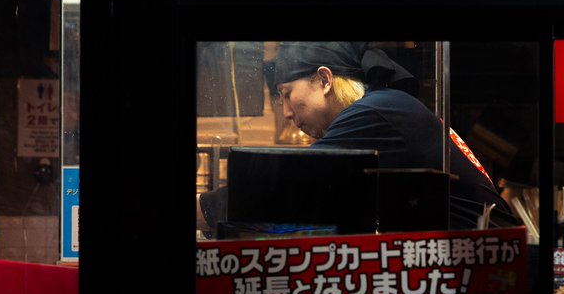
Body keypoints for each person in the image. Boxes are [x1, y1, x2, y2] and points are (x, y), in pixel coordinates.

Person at [198, 41, 507, 233]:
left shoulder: (377, 110)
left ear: (324, 80)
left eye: (287, 94)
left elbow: (289, 182)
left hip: (493, 271)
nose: (288, 113)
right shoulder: (386, 106)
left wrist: (201, 209)